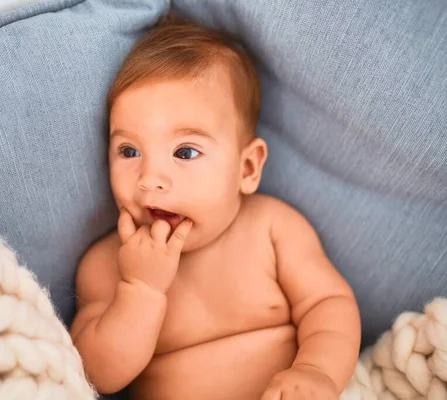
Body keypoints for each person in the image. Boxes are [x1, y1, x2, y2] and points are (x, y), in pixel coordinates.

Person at [70, 14, 361, 400]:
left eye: (185, 152)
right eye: (129, 150)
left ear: (247, 168)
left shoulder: (272, 229)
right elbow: (94, 375)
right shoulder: (108, 265)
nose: (150, 178)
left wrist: (316, 371)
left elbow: (329, 305)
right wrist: (140, 289)